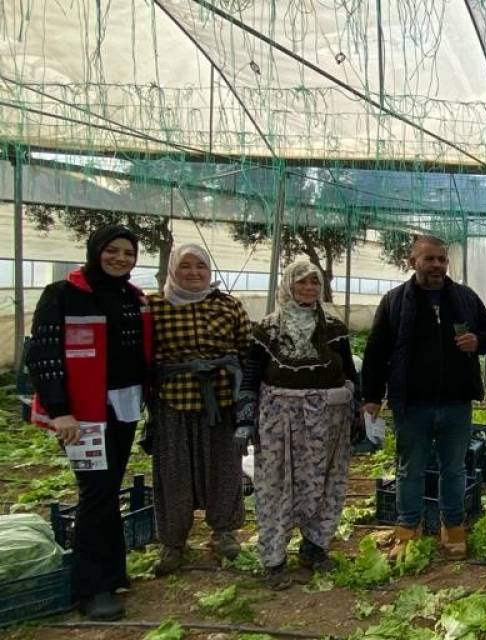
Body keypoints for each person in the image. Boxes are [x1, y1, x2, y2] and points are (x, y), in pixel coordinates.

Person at [27, 225, 152, 620]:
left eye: (128, 253)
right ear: (95, 250)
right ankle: (91, 588)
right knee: (96, 492)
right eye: (112, 251)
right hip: (82, 414)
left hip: (123, 404)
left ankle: (113, 573)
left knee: (109, 486)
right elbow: (44, 355)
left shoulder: (133, 297)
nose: (120, 258)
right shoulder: (62, 295)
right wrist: (60, 409)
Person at [362, 235, 486, 561]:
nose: (437, 265)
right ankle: (408, 529)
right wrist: (371, 396)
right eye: (430, 259)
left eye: (442, 259)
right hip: (412, 404)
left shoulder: (464, 298)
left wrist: (477, 341)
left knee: (454, 469)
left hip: (456, 403)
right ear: (413, 262)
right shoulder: (395, 301)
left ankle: (452, 526)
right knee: (410, 469)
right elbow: (376, 351)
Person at [236, 258, 359, 589]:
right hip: (281, 423)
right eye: (301, 282)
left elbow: (349, 372)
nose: (308, 288)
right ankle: (274, 559)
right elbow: (250, 376)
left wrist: (358, 413)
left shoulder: (333, 328)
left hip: (328, 422)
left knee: (324, 481)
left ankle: (314, 547)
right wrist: (245, 420)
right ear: (288, 286)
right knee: (276, 483)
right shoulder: (268, 329)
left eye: (314, 283)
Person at [147, 244, 251, 576]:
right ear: (172, 271)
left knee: (224, 467)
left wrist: (247, 399)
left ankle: (223, 533)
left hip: (220, 401)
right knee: (173, 472)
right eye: (186, 266)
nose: (194, 272)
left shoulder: (228, 306)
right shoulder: (154, 306)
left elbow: (247, 352)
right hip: (173, 401)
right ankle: (173, 542)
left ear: (210, 272)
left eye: (201, 267)